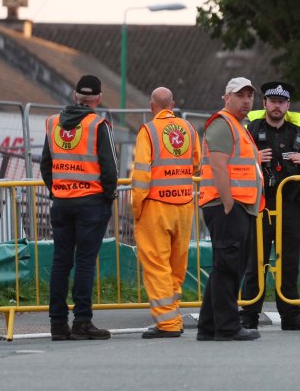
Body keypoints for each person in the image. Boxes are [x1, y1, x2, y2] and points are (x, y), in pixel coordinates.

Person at [240, 81, 300, 331]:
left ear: (288, 105)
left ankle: (291, 316)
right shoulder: (248, 130)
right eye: (272, 101)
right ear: (264, 103)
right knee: (255, 262)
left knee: (289, 262)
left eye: (282, 102)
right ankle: (249, 315)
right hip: (259, 207)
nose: (277, 106)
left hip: (292, 206)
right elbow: (233, 161)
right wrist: (252, 159)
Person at [39, 74, 118, 340]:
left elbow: (45, 165)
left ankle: (58, 324)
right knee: (84, 262)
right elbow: (110, 169)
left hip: (62, 203)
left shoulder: (52, 123)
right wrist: (107, 196)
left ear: (75, 96)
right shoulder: (98, 125)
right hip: (92, 203)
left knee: (61, 262)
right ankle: (83, 321)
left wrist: (57, 190)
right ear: (98, 98)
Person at [196, 77, 265, 341]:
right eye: (240, 95)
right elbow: (218, 165)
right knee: (228, 267)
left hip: (239, 205)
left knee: (226, 266)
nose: (246, 100)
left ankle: (209, 326)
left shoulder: (237, 126)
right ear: (227, 97)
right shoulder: (224, 124)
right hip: (228, 205)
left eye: (250, 95)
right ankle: (226, 327)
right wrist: (227, 201)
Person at [131, 87, 200, 339]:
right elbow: (195, 163)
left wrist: (136, 208)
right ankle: (173, 315)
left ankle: (168, 323)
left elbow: (141, 175)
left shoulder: (148, 131)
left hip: (155, 206)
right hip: (183, 206)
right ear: (172, 104)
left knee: (157, 265)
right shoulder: (189, 129)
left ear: (152, 106)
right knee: (175, 265)